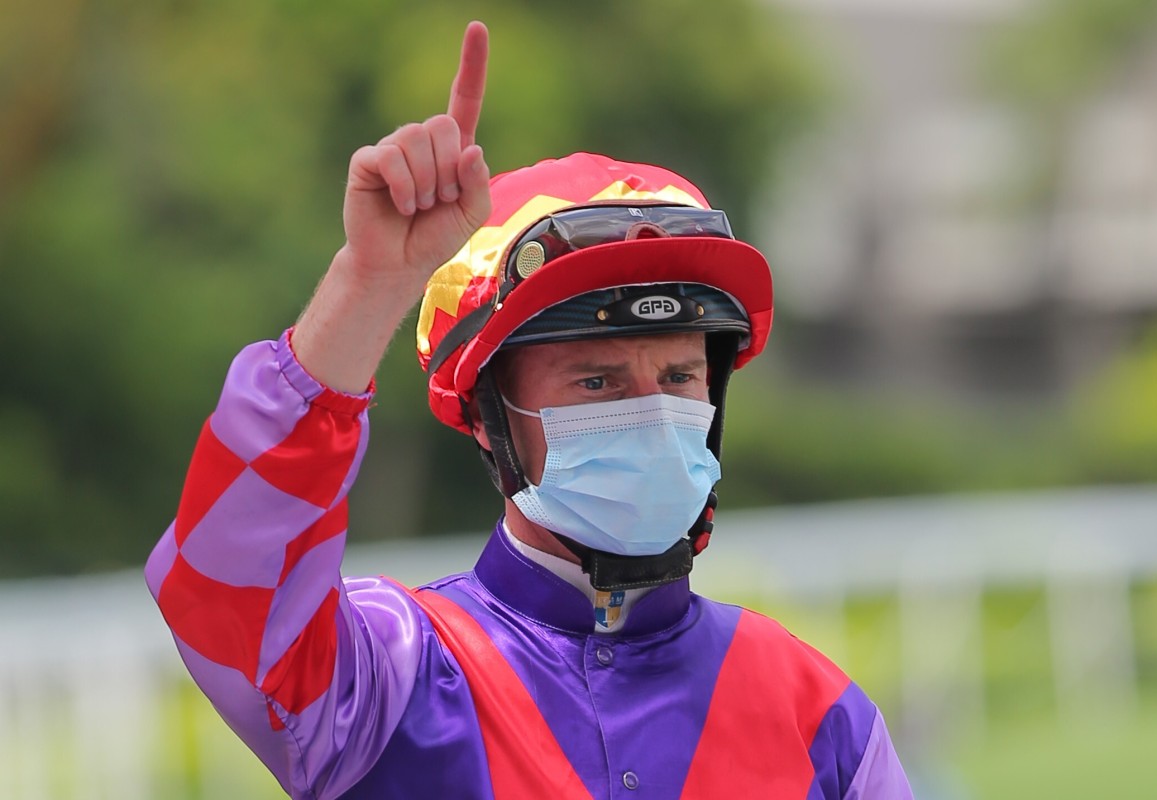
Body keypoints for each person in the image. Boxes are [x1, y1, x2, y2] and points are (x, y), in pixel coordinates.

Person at [146, 20, 912, 800]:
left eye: (681, 375)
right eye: (597, 382)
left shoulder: (819, 716)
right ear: (487, 415)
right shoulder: (393, 675)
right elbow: (225, 584)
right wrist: (369, 282)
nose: (652, 414)